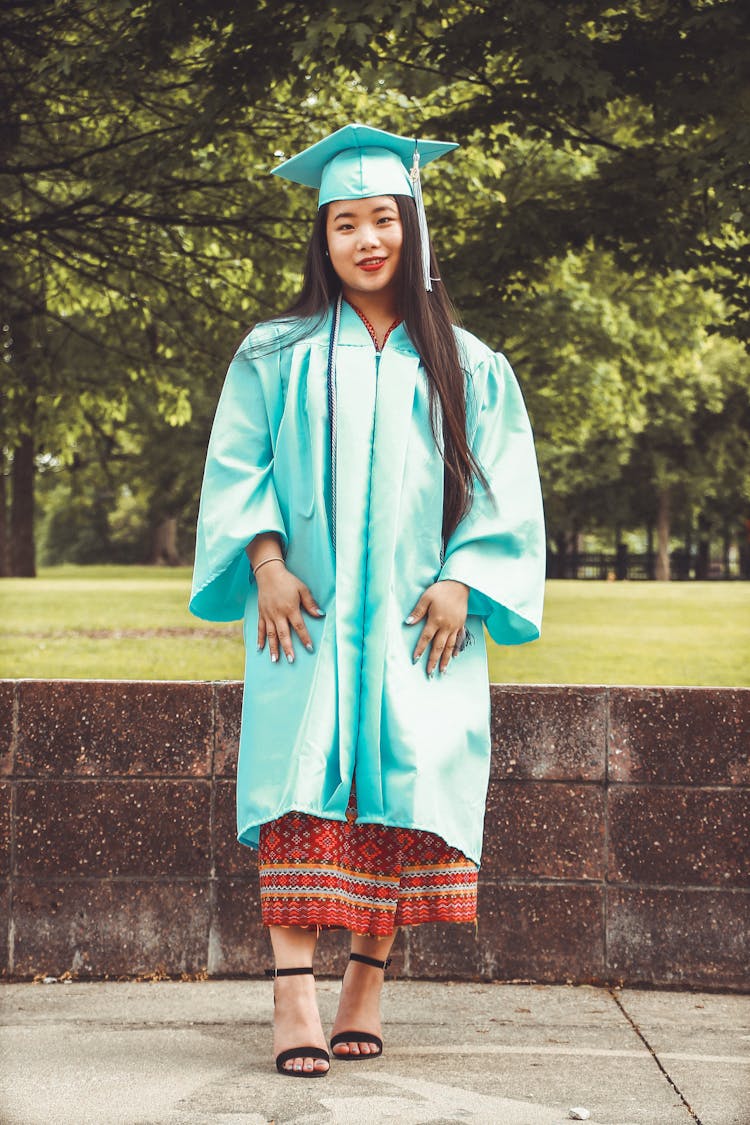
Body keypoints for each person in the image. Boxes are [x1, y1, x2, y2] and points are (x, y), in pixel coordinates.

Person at [189, 123, 545, 1078]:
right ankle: (293, 994)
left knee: (399, 793)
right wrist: (264, 563)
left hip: (420, 621)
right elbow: (238, 465)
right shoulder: (276, 352)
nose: (365, 240)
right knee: (301, 786)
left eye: (382, 219)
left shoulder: (470, 365)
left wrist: (465, 578)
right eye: (344, 224)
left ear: (413, 227)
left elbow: (506, 489)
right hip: (302, 613)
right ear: (324, 238)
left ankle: (368, 983)